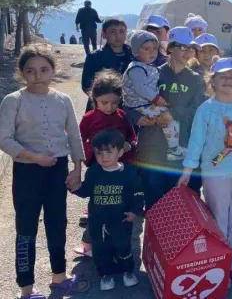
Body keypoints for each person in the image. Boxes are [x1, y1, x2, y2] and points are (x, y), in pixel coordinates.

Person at [0, 45, 89, 299]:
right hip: (27, 171)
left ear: (53, 70)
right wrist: (34, 157)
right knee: (26, 227)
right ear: (22, 74)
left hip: (57, 171)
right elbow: (4, 139)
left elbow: (73, 134)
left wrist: (77, 168)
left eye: (43, 69)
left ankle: (59, 278)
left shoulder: (62, 100)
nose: (37, 75)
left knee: (57, 223)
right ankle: (26, 288)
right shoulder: (13, 101)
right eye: (30, 70)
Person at [178, 57, 232, 286]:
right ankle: (218, 266)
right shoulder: (206, 109)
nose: (228, 80)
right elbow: (196, 141)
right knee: (219, 221)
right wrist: (188, 169)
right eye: (222, 76)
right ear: (212, 81)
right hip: (215, 173)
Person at [128, 27, 205, 210]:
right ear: (169, 48)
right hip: (152, 150)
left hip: (182, 152)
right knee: (154, 206)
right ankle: (152, 240)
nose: (187, 52)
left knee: (181, 208)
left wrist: (173, 113)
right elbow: (129, 102)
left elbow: (198, 110)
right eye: (182, 47)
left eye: (190, 48)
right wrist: (137, 119)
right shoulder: (152, 73)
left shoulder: (196, 79)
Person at [69, 129, 143, 291]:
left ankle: (128, 272)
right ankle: (105, 275)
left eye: (109, 152)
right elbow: (86, 191)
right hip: (98, 221)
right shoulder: (94, 172)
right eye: (99, 153)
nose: (104, 157)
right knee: (101, 249)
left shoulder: (129, 172)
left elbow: (138, 194)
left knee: (123, 247)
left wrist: (135, 212)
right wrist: (74, 187)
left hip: (121, 220)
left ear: (121, 151)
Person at [75, 69, 137, 258]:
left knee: (119, 208)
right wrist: (86, 159)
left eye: (115, 102)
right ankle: (87, 243)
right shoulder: (89, 118)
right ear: (94, 98)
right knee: (98, 209)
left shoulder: (122, 116)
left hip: (119, 170)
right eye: (104, 103)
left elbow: (132, 138)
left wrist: (128, 145)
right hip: (97, 169)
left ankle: (119, 245)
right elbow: (78, 141)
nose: (109, 107)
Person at [123, 30, 190, 160]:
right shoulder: (137, 68)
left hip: (146, 106)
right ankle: (174, 149)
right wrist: (157, 99)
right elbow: (140, 88)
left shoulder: (150, 67)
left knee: (169, 117)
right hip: (142, 107)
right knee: (169, 117)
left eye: (154, 48)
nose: (152, 52)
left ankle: (173, 148)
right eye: (146, 49)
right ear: (136, 51)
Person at [81, 16, 134, 112]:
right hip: (101, 108)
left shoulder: (133, 56)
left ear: (126, 33)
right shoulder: (95, 57)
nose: (118, 36)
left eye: (122, 31)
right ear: (104, 34)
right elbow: (86, 85)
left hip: (128, 108)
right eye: (112, 32)